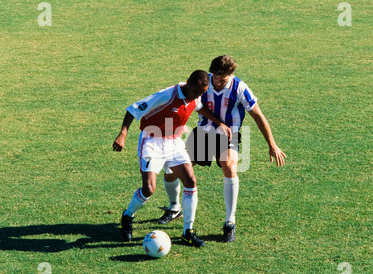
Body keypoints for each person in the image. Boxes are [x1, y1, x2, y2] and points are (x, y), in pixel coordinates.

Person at [159, 56, 287, 242]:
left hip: (229, 136)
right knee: (171, 169)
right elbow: (196, 104)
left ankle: (229, 222)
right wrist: (217, 122)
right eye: (215, 77)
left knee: (229, 165)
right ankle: (174, 207)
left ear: (231, 75)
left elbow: (258, 116)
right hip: (204, 132)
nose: (217, 82)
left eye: (222, 79)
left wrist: (272, 144)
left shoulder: (240, 88)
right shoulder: (204, 83)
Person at [112, 70, 231, 247]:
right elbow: (133, 109)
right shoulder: (167, 95)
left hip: (174, 142)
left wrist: (219, 122)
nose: (197, 97)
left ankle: (187, 232)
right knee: (149, 189)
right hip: (152, 141)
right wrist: (122, 134)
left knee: (190, 181)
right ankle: (127, 216)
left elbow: (200, 107)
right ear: (188, 83)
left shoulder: (194, 96)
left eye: (201, 93)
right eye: (196, 92)